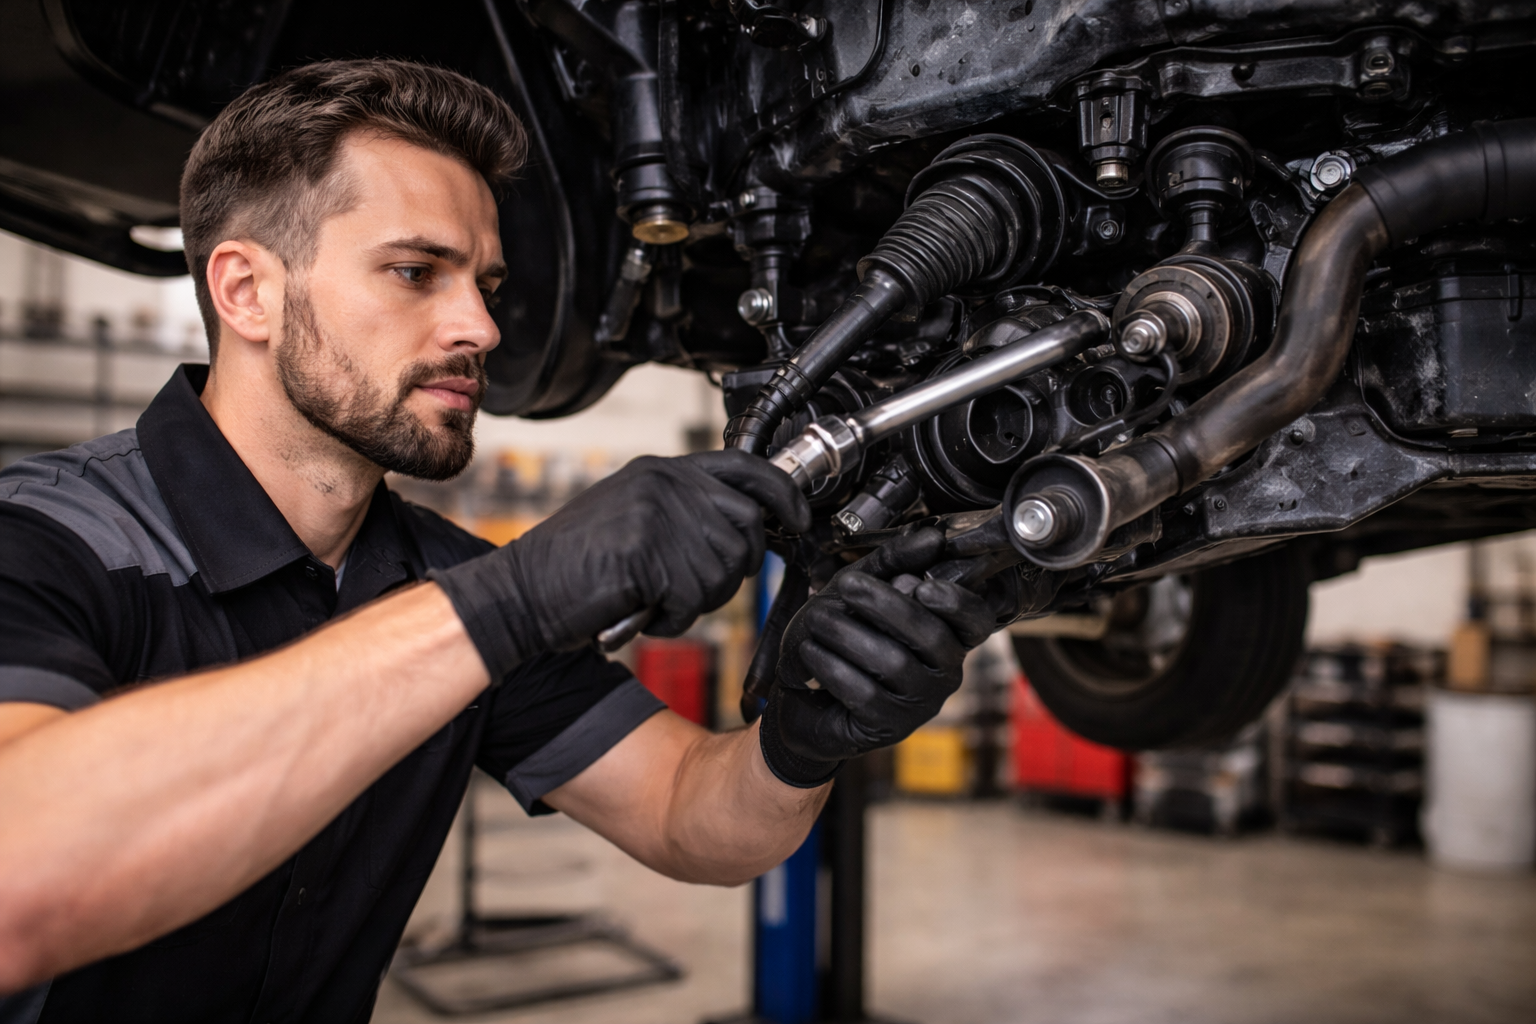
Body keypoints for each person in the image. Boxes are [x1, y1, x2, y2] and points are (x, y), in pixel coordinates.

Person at [0, 60, 995, 1021]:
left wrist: (803, 738)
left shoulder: (438, 577)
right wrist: (507, 605)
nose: (480, 324)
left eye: (484, 281)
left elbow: (690, 817)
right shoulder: (46, 540)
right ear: (246, 291)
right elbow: (19, 882)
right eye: (414, 271)